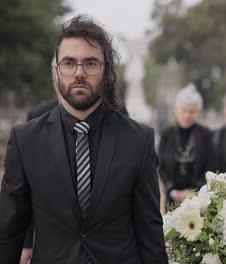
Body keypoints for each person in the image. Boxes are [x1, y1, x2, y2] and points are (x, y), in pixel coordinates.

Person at [0, 15, 168, 263]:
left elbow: (150, 231)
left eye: (90, 63)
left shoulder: (139, 140)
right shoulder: (26, 140)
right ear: (57, 71)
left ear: (106, 69)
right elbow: (9, 230)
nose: (79, 73)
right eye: (69, 63)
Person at [21, 56, 129, 264]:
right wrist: (26, 243)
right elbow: (25, 192)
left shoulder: (115, 112)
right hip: (55, 245)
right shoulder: (35, 118)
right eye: (67, 66)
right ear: (56, 73)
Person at [158, 84, 214, 204]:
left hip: (200, 200)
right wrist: (172, 191)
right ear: (177, 110)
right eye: (184, 110)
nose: (187, 115)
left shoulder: (206, 134)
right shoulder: (166, 134)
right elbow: (161, 166)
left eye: (192, 111)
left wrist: (195, 191)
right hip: (172, 199)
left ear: (197, 112)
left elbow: (210, 165)